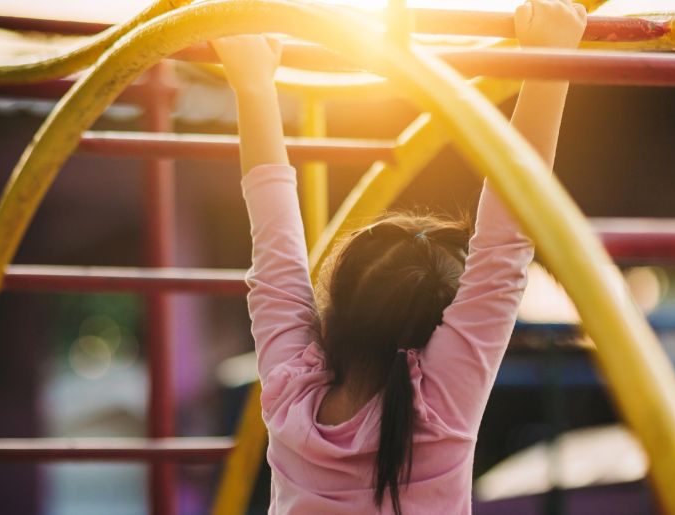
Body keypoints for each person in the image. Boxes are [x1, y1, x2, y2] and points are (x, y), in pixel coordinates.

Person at [211, 1, 587, 513]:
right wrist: (547, 63)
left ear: (335, 309)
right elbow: (506, 239)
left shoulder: (291, 393)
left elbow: (273, 242)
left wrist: (251, 86)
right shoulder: (441, 404)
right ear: (439, 334)